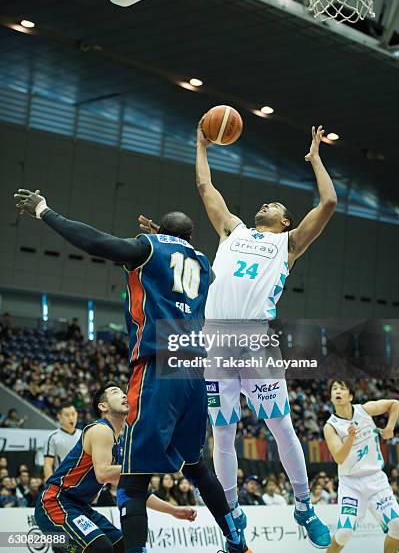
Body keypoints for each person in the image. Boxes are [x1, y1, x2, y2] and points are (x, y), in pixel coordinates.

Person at [15, 190, 251, 553]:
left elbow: (95, 241)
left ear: (159, 236)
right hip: (193, 373)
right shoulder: (204, 265)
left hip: (158, 366)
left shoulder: (148, 249)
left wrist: (45, 212)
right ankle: (237, 541)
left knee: (132, 480)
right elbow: (179, 260)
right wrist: (167, 240)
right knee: (197, 467)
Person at [193, 121, 334, 548]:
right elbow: (205, 186)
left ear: (285, 220)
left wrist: (315, 161)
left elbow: (328, 201)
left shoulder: (288, 244)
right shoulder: (232, 230)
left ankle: (305, 506)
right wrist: (202, 144)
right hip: (215, 340)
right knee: (222, 432)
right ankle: (232, 516)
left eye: (276, 204)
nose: (268, 202)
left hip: (255, 340)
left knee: (281, 427)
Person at [35, 382, 197, 553]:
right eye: (115, 392)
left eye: (123, 393)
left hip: (81, 507)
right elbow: (103, 473)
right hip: (55, 502)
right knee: (100, 547)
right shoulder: (100, 430)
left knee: (121, 546)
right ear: (103, 406)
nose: (124, 395)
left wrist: (173, 510)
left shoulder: (121, 444)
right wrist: (143, 463)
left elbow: (134, 490)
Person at [324, 380, 399, 553]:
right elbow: (338, 457)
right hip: (351, 483)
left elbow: (394, 404)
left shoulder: (365, 410)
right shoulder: (330, 426)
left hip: (376, 479)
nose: (338, 391)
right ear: (331, 397)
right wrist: (350, 439)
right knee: (344, 533)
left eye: (342, 388)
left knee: (397, 526)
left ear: (350, 396)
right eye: (334, 389)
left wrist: (390, 428)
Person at [44, 403, 82, 481]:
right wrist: (50, 484)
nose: (71, 418)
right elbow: (48, 465)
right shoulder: (53, 437)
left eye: (73, 414)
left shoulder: (84, 435)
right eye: (67, 415)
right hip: (61, 481)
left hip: (81, 481)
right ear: (59, 417)